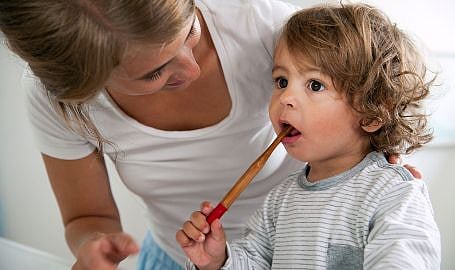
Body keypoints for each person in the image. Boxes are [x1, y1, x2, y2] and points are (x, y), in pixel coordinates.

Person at [0, 0, 421, 269]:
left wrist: (377, 156)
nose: (191, 69)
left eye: (190, 33)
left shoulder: (266, 26)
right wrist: (217, 260)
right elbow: (86, 218)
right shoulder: (280, 207)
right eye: (155, 73)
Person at [176, 3, 441, 269]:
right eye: (281, 81)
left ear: (372, 113)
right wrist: (217, 261)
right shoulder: (279, 201)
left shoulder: (393, 193)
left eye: (315, 85)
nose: (286, 98)